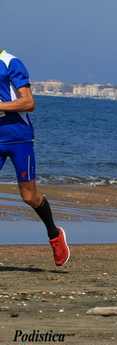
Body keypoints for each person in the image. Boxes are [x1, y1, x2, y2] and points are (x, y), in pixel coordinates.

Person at [0, 49, 69, 266]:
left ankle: (54, 234)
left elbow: (29, 103)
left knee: (29, 196)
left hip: (19, 138)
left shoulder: (11, 63)